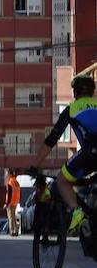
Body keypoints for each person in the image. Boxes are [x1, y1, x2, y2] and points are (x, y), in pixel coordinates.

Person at [30, 74, 97, 234]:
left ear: (75, 92)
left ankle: (77, 212)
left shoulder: (71, 110)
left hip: (90, 153)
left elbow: (51, 141)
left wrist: (35, 165)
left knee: (62, 180)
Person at [4, 168, 21, 237]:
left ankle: (12, 231)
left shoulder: (10, 183)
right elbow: (20, 192)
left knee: (10, 217)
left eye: (6, 174)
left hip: (10, 203)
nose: (6, 176)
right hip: (15, 201)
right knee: (13, 217)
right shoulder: (17, 182)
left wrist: (6, 203)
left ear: (10, 174)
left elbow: (9, 194)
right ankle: (16, 230)